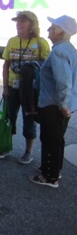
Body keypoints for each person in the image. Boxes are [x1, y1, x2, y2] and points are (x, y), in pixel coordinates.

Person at [29, 15, 77, 188]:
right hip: (65, 105)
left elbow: (64, 81)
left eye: (52, 27)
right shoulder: (70, 49)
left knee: (50, 139)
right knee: (57, 138)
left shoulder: (58, 52)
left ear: (60, 31)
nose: (48, 30)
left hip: (53, 105)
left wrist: (63, 105)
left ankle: (49, 177)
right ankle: (55, 168)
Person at [0, 11, 50, 164]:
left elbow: (47, 68)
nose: (18, 24)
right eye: (17, 22)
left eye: (22, 22)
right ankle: (5, 146)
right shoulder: (12, 41)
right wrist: (5, 87)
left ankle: (28, 152)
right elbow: (6, 64)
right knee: (8, 118)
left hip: (31, 90)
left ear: (31, 24)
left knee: (29, 119)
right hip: (13, 87)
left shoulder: (40, 43)